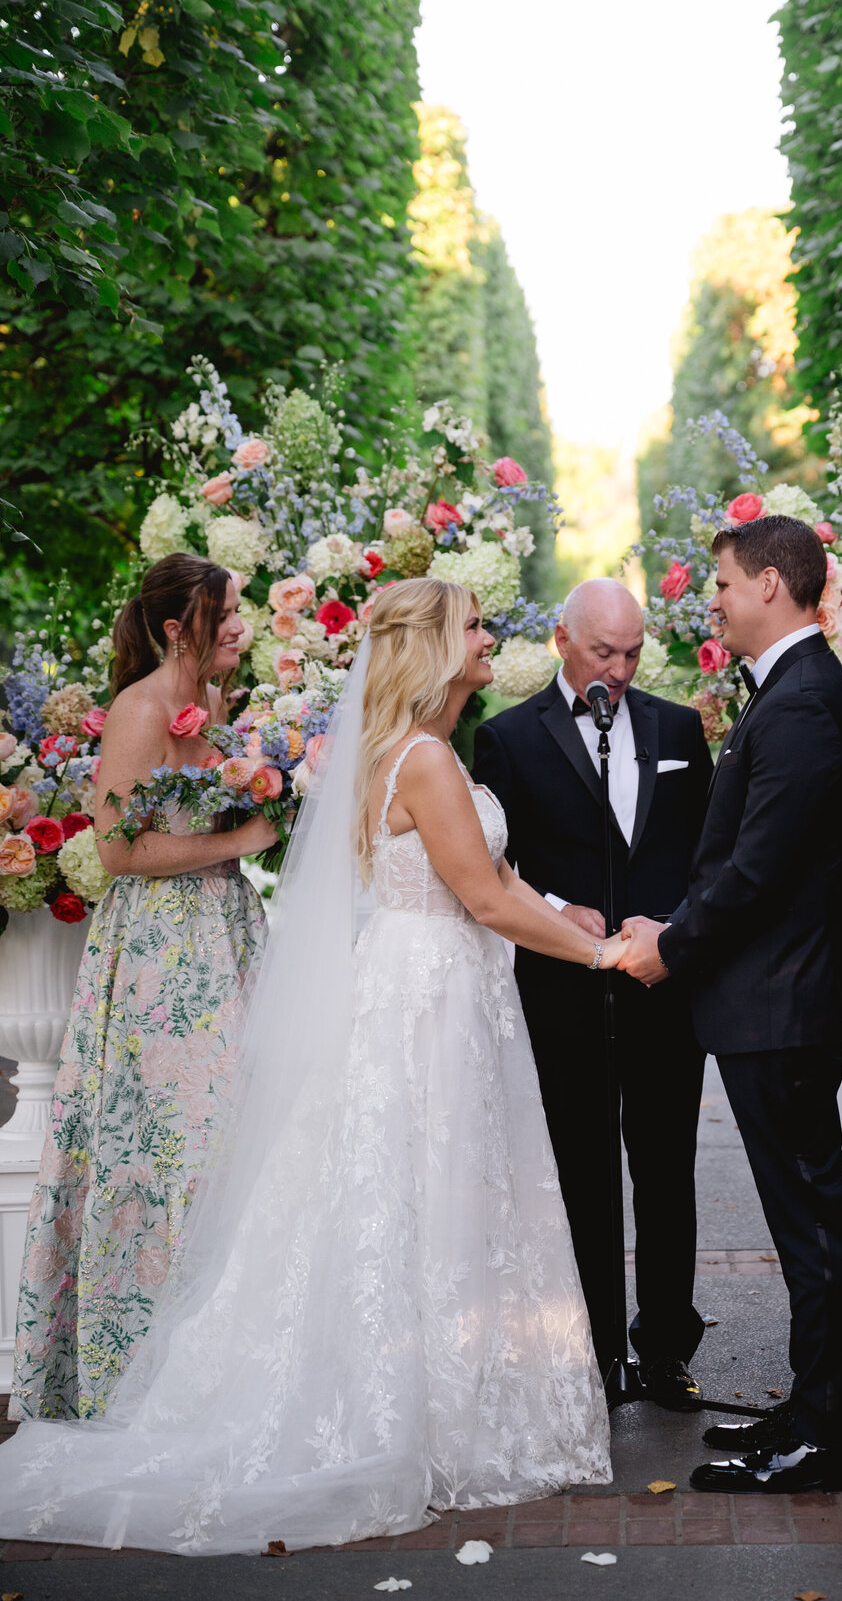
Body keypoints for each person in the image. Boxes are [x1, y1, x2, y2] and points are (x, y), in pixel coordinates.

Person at [0, 577, 616, 1554]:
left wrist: (564, 911)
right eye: (476, 624)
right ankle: (419, 1408)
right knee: (413, 1191)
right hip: (429, 991)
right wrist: (602, 951)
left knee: (417, 1193)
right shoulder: (423, 760)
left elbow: (493, 877)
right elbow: (485, 899)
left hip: (434, 986)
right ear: (435, 646)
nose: (491, 635)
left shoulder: (417, 753)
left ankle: (441, 1395)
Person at [620, 514, 842, 1493]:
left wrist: (670, 948)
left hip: (785, 1005)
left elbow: (759, 870)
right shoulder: (791, 692)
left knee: (811, 1229)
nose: (713, 599)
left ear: (772, 582)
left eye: (723, 583)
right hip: (775, 999)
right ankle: (812, 1414)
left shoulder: (804, 702)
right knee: (805, 1222)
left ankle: (827, 1438)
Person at [9, 553, 274, 1422]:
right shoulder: (140, 709)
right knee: (171, 1156)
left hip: (226, 936)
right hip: (161, 960)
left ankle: (222, 1367)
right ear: (176, 628)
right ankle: (142, 1380)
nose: (240, 623)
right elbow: (119, 852)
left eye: (239, 609)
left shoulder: (223, 707)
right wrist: (240, 841)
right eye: (225, 612)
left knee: (239, 1149)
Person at [472, 578, 713, 1407]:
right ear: (563, 643)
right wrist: (552, 910)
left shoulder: (680, 727)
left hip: (663, 989)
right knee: (578, 1173)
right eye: (605, 651)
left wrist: (674, 928)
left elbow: (708, 855)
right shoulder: (505, 737)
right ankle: (595, 1352)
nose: (621, 666)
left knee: (667, 1172)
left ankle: (668, 1347)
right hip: (561, 992)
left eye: (635, 651)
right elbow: (491, 865)